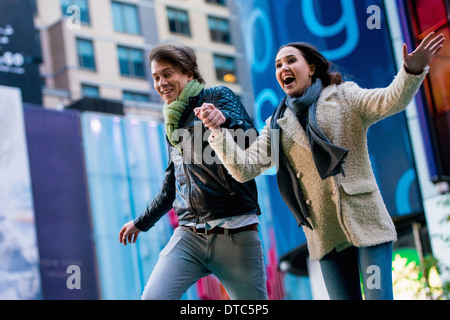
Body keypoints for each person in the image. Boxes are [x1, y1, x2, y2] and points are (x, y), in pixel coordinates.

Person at [195, 32, 445, 300]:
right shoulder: (276, 123)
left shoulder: (344, 96)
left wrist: (412, 70)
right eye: (278, 65)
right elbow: (244, 168)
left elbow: (389, 100)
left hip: (365, 220)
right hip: (325, 234)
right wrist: (217, 130)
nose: (283, 68)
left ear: (311, 68)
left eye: (291, 60)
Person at [118, 44, 267, 300]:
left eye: (168, 74)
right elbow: (171, 187)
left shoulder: (217, 96)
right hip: (189, 235)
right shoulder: (172, 123)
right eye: (156, 77)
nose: (161, 83)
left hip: (235, 234)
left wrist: (224, 120)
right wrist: (141, 223)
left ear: (189, 74)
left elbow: (250, 137)